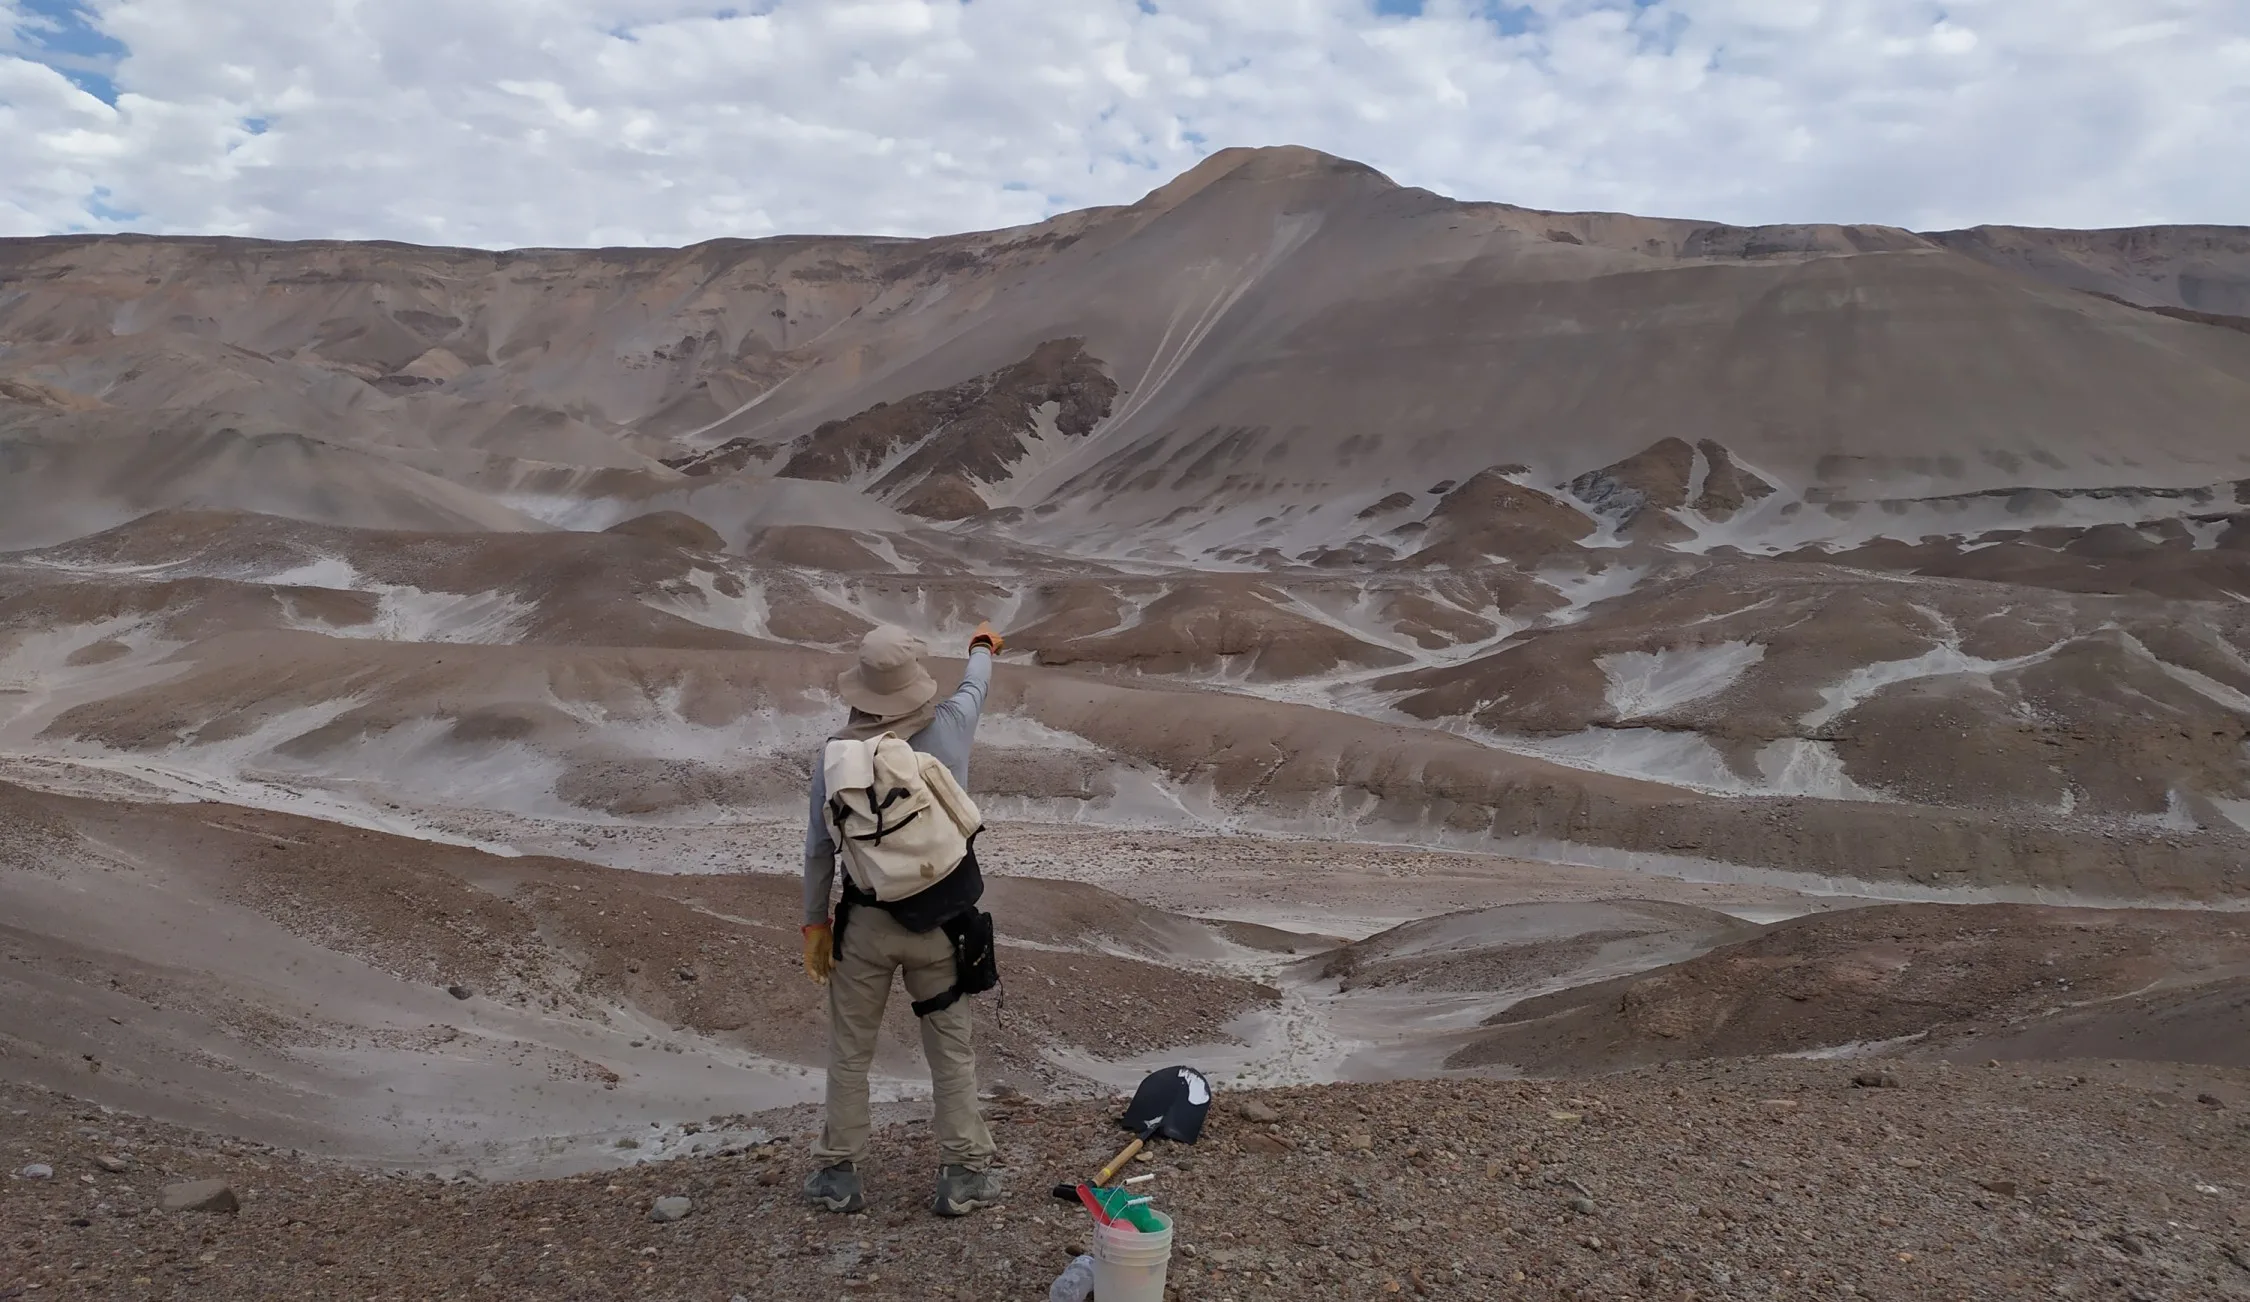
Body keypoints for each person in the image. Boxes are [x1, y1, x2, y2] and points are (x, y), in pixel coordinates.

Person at [800, 621, 1005, 1217]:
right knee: (950, 1048)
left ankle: (839, 1173)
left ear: (860, 689)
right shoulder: (949, 727)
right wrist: (981, 649)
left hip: (864, 926)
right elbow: (975, 687)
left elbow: (818, 849)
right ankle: (962, 1174)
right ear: (914, 684)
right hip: (942, 925)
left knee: (850, 1049)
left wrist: (816, 925)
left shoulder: (834, 757)